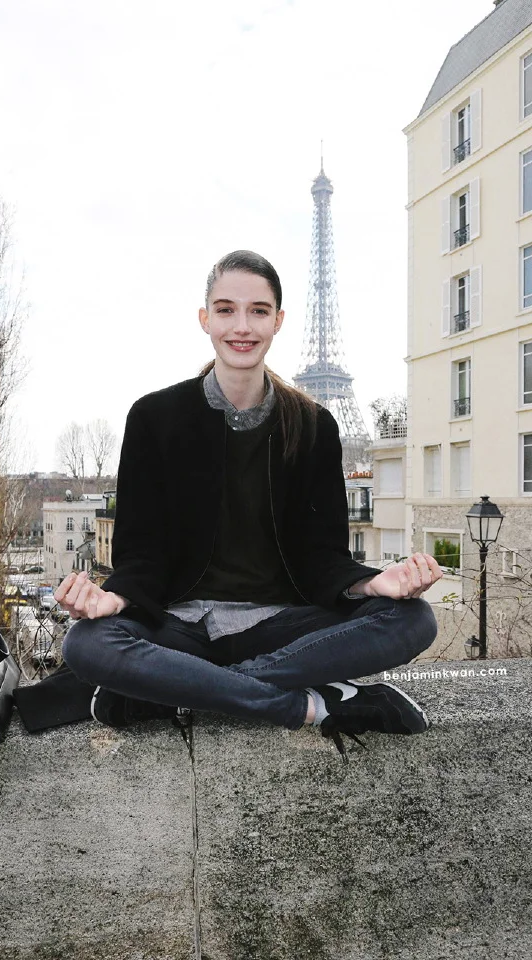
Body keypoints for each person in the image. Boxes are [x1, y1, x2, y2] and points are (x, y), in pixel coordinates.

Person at [56, 250, 441, 760]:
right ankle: (310, 707)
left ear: (278, 321)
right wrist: (115, 599)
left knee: (415, 619)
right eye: (225, 309)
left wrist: (373, 582)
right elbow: (141, 551)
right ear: (205, 319)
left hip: (278, 628)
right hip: (180, 627)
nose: (242, 326)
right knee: (85, 643)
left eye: (259, 311)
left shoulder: (313, 425)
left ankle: (178, 690)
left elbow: (320, 555)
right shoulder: (155, 417)